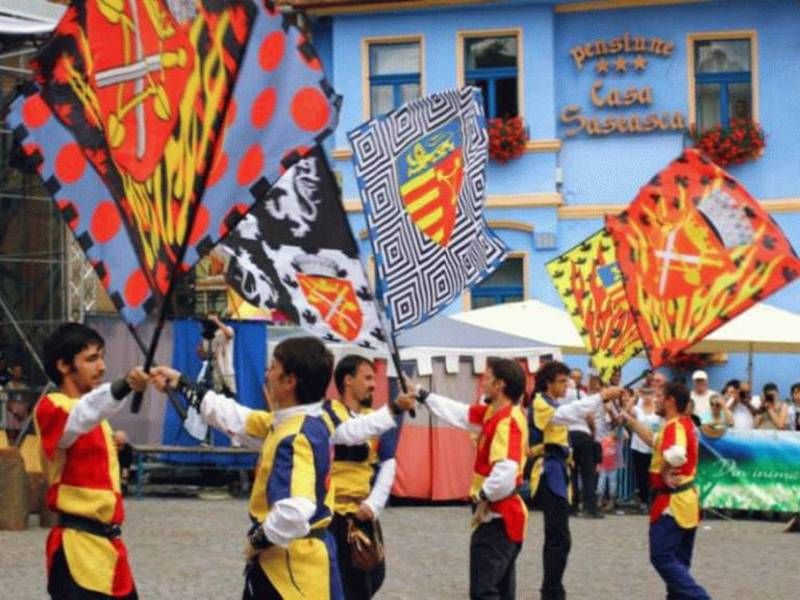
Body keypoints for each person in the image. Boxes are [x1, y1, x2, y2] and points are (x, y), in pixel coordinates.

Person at [152, 338, 415, 599]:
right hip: (308, 558)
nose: (268, 373)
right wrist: (183, 384)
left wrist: (259, 539)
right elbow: (236, 417)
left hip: (291, 567)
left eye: (274, 367)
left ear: (290, 381)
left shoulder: (296, 434)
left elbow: (296, 510)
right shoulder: (307, 422)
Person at [34, 323, 150, 599]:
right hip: (78, 548)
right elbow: (81, 416)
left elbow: (91, 413)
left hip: (108, 547)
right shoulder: (53, 406)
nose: (101, 367)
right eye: (91, 359)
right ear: (63, 365)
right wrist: (125, 386)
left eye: (101, 357)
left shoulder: (97, 418)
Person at [413, 358, 529, 600]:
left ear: (500, 385)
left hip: (499, 516)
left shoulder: (506, 420)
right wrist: (422, 395)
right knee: (499, 589)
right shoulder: (493, 413)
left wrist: (482, 496)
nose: (482, 383)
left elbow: (506, 470)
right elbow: (459, 413)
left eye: (487, 378)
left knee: (483, 591)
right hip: (500, 515)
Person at [527, 360, 621, 600]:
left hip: (558, 468)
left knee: (559, 537)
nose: (565, 386)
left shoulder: (551, 402)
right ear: (548, 382)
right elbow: (568, 414)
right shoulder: (540, 402)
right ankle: (551, 591)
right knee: (558, 537)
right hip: (548, 469)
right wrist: (601, 396)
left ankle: (552, 588)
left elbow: (574, 412)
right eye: (560, 381)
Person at [621, 381, 711, 600]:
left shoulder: (675, 426)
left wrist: (663, 471)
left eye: (660, 396)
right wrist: (629, 421)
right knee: (678, 567)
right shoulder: (683, 423)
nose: (656, 399)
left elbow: (676, 454)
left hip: (673, 504)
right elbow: (655, 441)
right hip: (686, 502)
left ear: (670, 400)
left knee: (662, 557)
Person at [324, 355, 398, 599]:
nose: (373, 385)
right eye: (367, 378)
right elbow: (346, 434)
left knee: (369, 579)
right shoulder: (327, 414)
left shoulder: (378, 419)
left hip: (361, 514)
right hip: (330, 516)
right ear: (347, 380)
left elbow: (388, 464)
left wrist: (373, 504)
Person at [628, 387, 661, 511]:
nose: (647, 396)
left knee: (654, 474)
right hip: (638, 446)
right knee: (641, 475)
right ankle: (643, 501)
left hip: (654, 446)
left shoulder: (657, 408)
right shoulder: (637, 409)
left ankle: (654, 501)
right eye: (645, 393)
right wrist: (634, 398)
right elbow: (625, 413)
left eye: (650, 393)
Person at [113, 430, 134, 497]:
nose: (120, 448)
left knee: (124, 472)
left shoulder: (128, 449)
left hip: (123, 468)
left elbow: (126, 466)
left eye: (122, 445)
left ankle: (123, 487)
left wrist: (123, 482)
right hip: (112, 467)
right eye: (118, 445)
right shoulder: (110, 447)